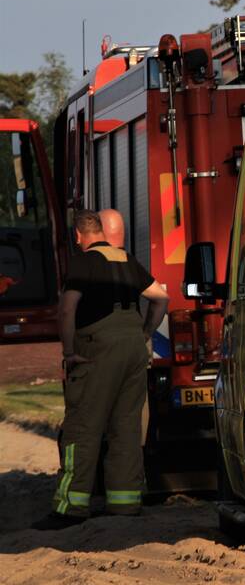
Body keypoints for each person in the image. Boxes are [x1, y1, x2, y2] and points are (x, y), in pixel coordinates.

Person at [32, 210, 169, 530]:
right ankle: (124, 503)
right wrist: (146, 332)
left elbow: (67, 309)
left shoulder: (83, 263)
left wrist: (69, 352)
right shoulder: (126, 260)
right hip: (134, 350)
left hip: (96, 352)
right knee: (126, 427)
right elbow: (161, 298)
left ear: (79, 236)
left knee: (83, 426)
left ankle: (70, 506)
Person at [99, 208, 151, 447]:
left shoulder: (90, 266)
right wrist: (147, 332)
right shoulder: (131, 264)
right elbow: (160, 297)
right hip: (135, 345)